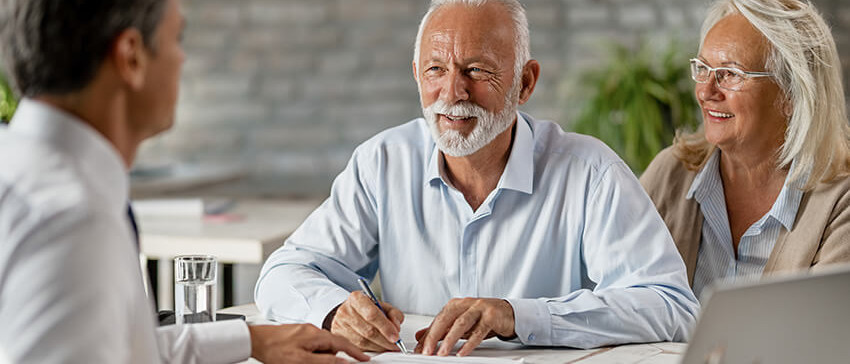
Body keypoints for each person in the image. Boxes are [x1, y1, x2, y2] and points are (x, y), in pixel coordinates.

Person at [255, 0, 699, 357]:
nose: (452, 93)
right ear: (416, 76)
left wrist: (517, 316)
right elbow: (282, 272)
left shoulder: (589, 172)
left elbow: (670, 305)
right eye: (436, 70)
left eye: (476, 70)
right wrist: (334, 311)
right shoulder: (382, 162)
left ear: (525, 83)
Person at [0, 0, 370, 363]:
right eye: (177, 38)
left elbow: (115, 347)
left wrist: (249, 340)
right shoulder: (71, 220)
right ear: (131, 57)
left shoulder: (24, 169)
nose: (182, 59)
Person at [641, 0, 850, 301]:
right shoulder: (671, 173)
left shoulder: (839, 201)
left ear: (792, 93)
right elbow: (622, 296)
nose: (705, 91)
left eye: (730, 74)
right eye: (703, 68)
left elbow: (822, 334)